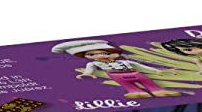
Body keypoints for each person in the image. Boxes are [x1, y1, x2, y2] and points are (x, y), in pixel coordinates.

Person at [52, 39, 181, 98]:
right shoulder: (95, 64)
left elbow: (140, 66)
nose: (101, 56)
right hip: (116, 75)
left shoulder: (125, 61)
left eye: (105, 53)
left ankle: (158, 91)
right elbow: (89, 68)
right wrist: (87, 74)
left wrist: (155, 70)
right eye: (91, 54)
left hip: (134, 72)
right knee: (128, 85)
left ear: (115, 53)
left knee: (147, 81)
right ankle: (136, 92)